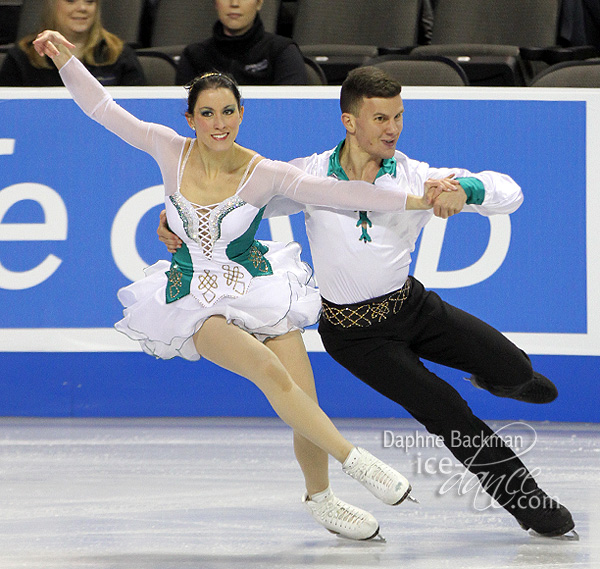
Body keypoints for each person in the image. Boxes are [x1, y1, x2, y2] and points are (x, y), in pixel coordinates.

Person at [31, 30, 461, 542]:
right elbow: (102, 107)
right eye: (208, 113)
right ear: (190, 119)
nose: (219, 123)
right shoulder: (170, 149)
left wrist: (416, 201)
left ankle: (320, 498)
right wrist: (67, 60)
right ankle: (359, 462)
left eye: (229, 111)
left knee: (304, 395)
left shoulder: (263, 172)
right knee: (267, 371)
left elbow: (341, 192)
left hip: (256, 288)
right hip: (193, 299)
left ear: (241, 114)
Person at [158, 66, 577, 540]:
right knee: (448, 410)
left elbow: (510, 192)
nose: (393, 128)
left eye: (398, 116)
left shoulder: (418, 175)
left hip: (413, 308)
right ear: (350, 121)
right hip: (355, 336)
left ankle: (507, 379)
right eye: (380, 118)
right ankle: (532, 506)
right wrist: (178, 218)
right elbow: (238, 205)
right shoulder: (307, 174)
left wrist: (467, 190)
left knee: (514, 369)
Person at [0, 0, 145, 87]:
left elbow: (139, 110)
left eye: (89, 1)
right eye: (70, 0)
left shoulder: (118, 53)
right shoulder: (22, 57)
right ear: (52, 5)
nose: (82, 8)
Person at [175, 0, 308, 86]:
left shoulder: (282, 51)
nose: (234, 3)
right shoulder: (193, 56)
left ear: (259, 3)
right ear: (215, 3)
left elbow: (290, 110)